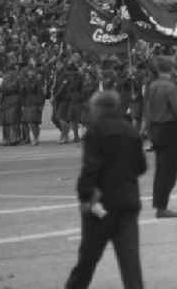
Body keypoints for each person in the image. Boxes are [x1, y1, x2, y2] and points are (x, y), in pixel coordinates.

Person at [64, 90, 146, 289]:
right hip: (128, 201)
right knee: (130, 263)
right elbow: (141, 166)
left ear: (98, 108)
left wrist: (85, 195)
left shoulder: (96, 131)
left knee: (88, 259)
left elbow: (91, 167)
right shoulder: (130, 130)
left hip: (101, 203)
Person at [145, 56, 177, 219]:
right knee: (169, 170)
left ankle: (159, 203)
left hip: (155, 128)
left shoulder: (152, 85)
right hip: (169, 128)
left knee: (160, 169)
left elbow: (146, 109)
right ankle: (162, 207)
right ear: (171, 69)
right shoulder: (170, 87)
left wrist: (148, 129)